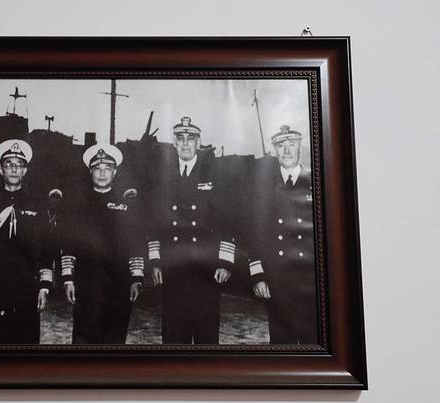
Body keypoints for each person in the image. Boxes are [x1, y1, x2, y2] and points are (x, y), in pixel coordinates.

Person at [148, 117, 236, 344]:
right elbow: (154, 222)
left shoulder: (215, 175)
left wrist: (225, 262)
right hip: (173, 267)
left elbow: (228, 221)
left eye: (190, 139)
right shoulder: (162, 176)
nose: (185, 144)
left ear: (199, 143)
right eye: (180, 139)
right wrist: (155, 260)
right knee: (174, 336)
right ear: (174, 143)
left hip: (206, 269)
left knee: (206, 336)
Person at [60, 143, 144, 344]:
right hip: (86, 285)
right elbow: (69, 244)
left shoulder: (127, 206)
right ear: (90, 171)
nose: (102, 173)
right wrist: (68, 279)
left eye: (108, 169)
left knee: (114, 340)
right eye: (97, 168)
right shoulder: (77, 205)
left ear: (115, 172)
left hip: (118, 285)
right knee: (84, 340)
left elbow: (135, 243)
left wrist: (136, 278)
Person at [0, 139, 53, 344]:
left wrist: (43, 286)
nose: (14, 169)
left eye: (19, 165)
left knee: (27, 341)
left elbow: (46, 246)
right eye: (9, 164)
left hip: (28, 284)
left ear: (25, 170)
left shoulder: (37, 204)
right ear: (1, 170)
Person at [248, 125, 318, 344]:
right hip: (278, 283)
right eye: (281, 146)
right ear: (275, 150)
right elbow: (254, 234)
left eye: (291, 144)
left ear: (299, 146)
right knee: (282, 345)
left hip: (311, 282)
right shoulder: (263, 188)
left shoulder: (316, 182)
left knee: (313, 344)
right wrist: (258, 276)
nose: (287, 150)